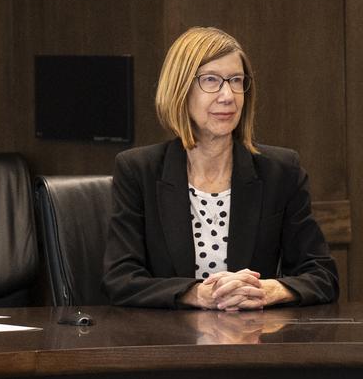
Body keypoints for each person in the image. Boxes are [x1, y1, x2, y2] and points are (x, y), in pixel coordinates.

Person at [103, 27, 338, 309]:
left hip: (253, 341)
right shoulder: (138, 170)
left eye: (236, 80)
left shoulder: (280, 171)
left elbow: (323, 275)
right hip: (169, 342)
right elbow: (120, 279)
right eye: (211, 80)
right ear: (180, 89)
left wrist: (267, 290)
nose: (228, 95)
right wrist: (197, 294)